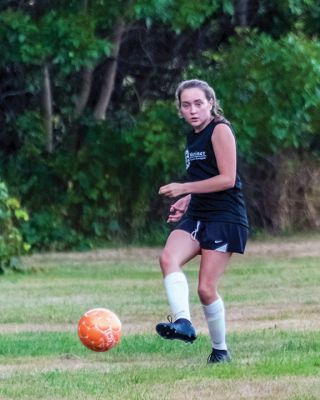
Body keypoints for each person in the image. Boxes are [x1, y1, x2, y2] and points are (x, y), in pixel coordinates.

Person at [155, 79, 249, 364]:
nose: (193, 110)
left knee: (206, 289)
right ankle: (183, 323)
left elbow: (226, 179)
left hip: (225, 217)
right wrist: (187, 200)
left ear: (211, 102)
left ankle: (220, 351)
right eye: (186, 105)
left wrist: (184, 188)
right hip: (199, 214)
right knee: (168, 258)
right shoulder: (192, 137)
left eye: (199, 103)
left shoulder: (220, 129)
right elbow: (202, 179)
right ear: (180, 109)